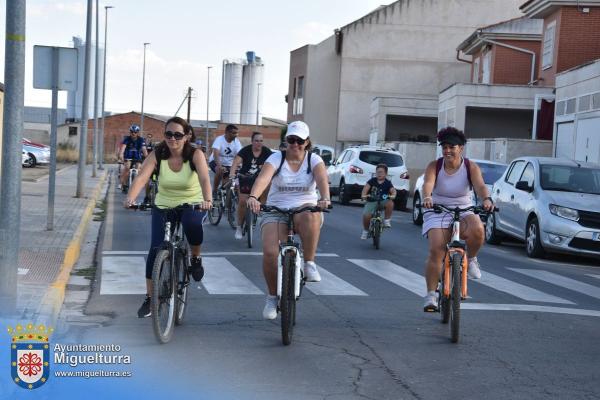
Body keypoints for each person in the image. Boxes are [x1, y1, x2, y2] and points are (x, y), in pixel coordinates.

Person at [124, 116, 212, 318]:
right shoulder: (159, 153)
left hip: (192, 202)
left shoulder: (195, 154)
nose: (173, 139)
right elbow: (142, 176)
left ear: (187, 136)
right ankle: (150, 297)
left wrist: (207, 199)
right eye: (168, 134)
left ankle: (196, 258)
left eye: (178, 135)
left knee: (192, 225)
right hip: (164, 204)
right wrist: (130, 198)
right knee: (156, 248)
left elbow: (205, 177)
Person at [247, 121, 331, 320]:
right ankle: (272, 297)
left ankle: (309, 263)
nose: (295, 144)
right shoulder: (277, 158)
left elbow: (321, 180)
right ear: (286, 141)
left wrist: (325, 198)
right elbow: (263, 178)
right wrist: (253, 196)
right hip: (277, 208)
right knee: (269, 252)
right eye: (291, 140)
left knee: (311, 215)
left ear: (307, 142)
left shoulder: (314, 159)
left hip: (304, 207)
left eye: (299, 141)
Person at [421, 127, 494, 312]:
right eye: (444, 147)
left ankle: (472, 259)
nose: (447, 151)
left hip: (464, 208)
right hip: (438, 208)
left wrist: (486, 199)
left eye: (451, 147)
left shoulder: (470, 167)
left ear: (461, 148)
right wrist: (428, 197)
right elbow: (428, 183)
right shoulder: (434, 166)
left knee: (478, 229)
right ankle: (431, 295)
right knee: (436, 249)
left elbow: (480, 186)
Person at [230, 132, 273, 240]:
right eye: (257, 141)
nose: (259, 143)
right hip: (245, 178)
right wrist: (232, 174)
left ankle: (261, 207)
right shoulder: (245, 150)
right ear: (252, 141)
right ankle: (239, 227)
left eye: (261, 141)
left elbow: (274, 164)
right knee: (243, 202)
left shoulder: (267, 152)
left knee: (269, 184)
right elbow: (236, 162)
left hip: (259, 179)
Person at [360, 163, 396, 239]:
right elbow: (365, 189)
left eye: (381, 172)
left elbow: (393, 191)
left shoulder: (387, 183)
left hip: (383, 201)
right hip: (372, 201)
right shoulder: (372, 181)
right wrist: (364, 196)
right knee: (366, 215)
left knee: (390, 203)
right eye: (377, 172)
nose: (379, 174)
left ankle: (386, 220)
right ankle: (365, 231)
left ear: (386, 174)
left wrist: (393, 195)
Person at [209, 124, 242, 195]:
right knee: (219, 170)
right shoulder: (219, 139)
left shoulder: (237, 142)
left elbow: (239, 155)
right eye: (234, 133)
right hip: (215, 161)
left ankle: (231, 192)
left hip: (229, 165)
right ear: (227, 132)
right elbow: (216, 154)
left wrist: (237, 166)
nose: (236, 135)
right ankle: (214, 190)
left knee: (234, 179)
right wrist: (220, 166)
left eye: (237, 133)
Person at [119, 124, 148, 191]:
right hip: (128, 157)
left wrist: (147, 157)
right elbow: (123, 148)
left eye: (135, 132)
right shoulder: (127, 139)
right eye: (132, 132)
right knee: (127, 168)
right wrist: (121, 155)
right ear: (130, 132)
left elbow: (144, 150)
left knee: (138, 169)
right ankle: (124, 184)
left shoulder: (141, 140)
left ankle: (137, 183)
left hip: (137, 157)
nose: (133, 133)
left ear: (138, 132)